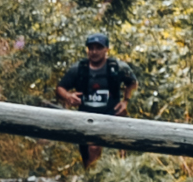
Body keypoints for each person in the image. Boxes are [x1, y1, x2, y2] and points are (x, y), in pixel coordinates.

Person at [53, 30, 135, 171]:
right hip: (86, 117)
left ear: (106, 49)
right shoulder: (79, 69)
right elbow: (60, 88)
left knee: (111, 147)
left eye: (98, 48)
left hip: (111, 114)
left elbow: (132, 83)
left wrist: (125, 101)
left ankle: (121, 172)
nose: (94, 52)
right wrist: (68, 96)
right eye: (91, 48)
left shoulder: (117, 67)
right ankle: (91, 176)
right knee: (88, 152)